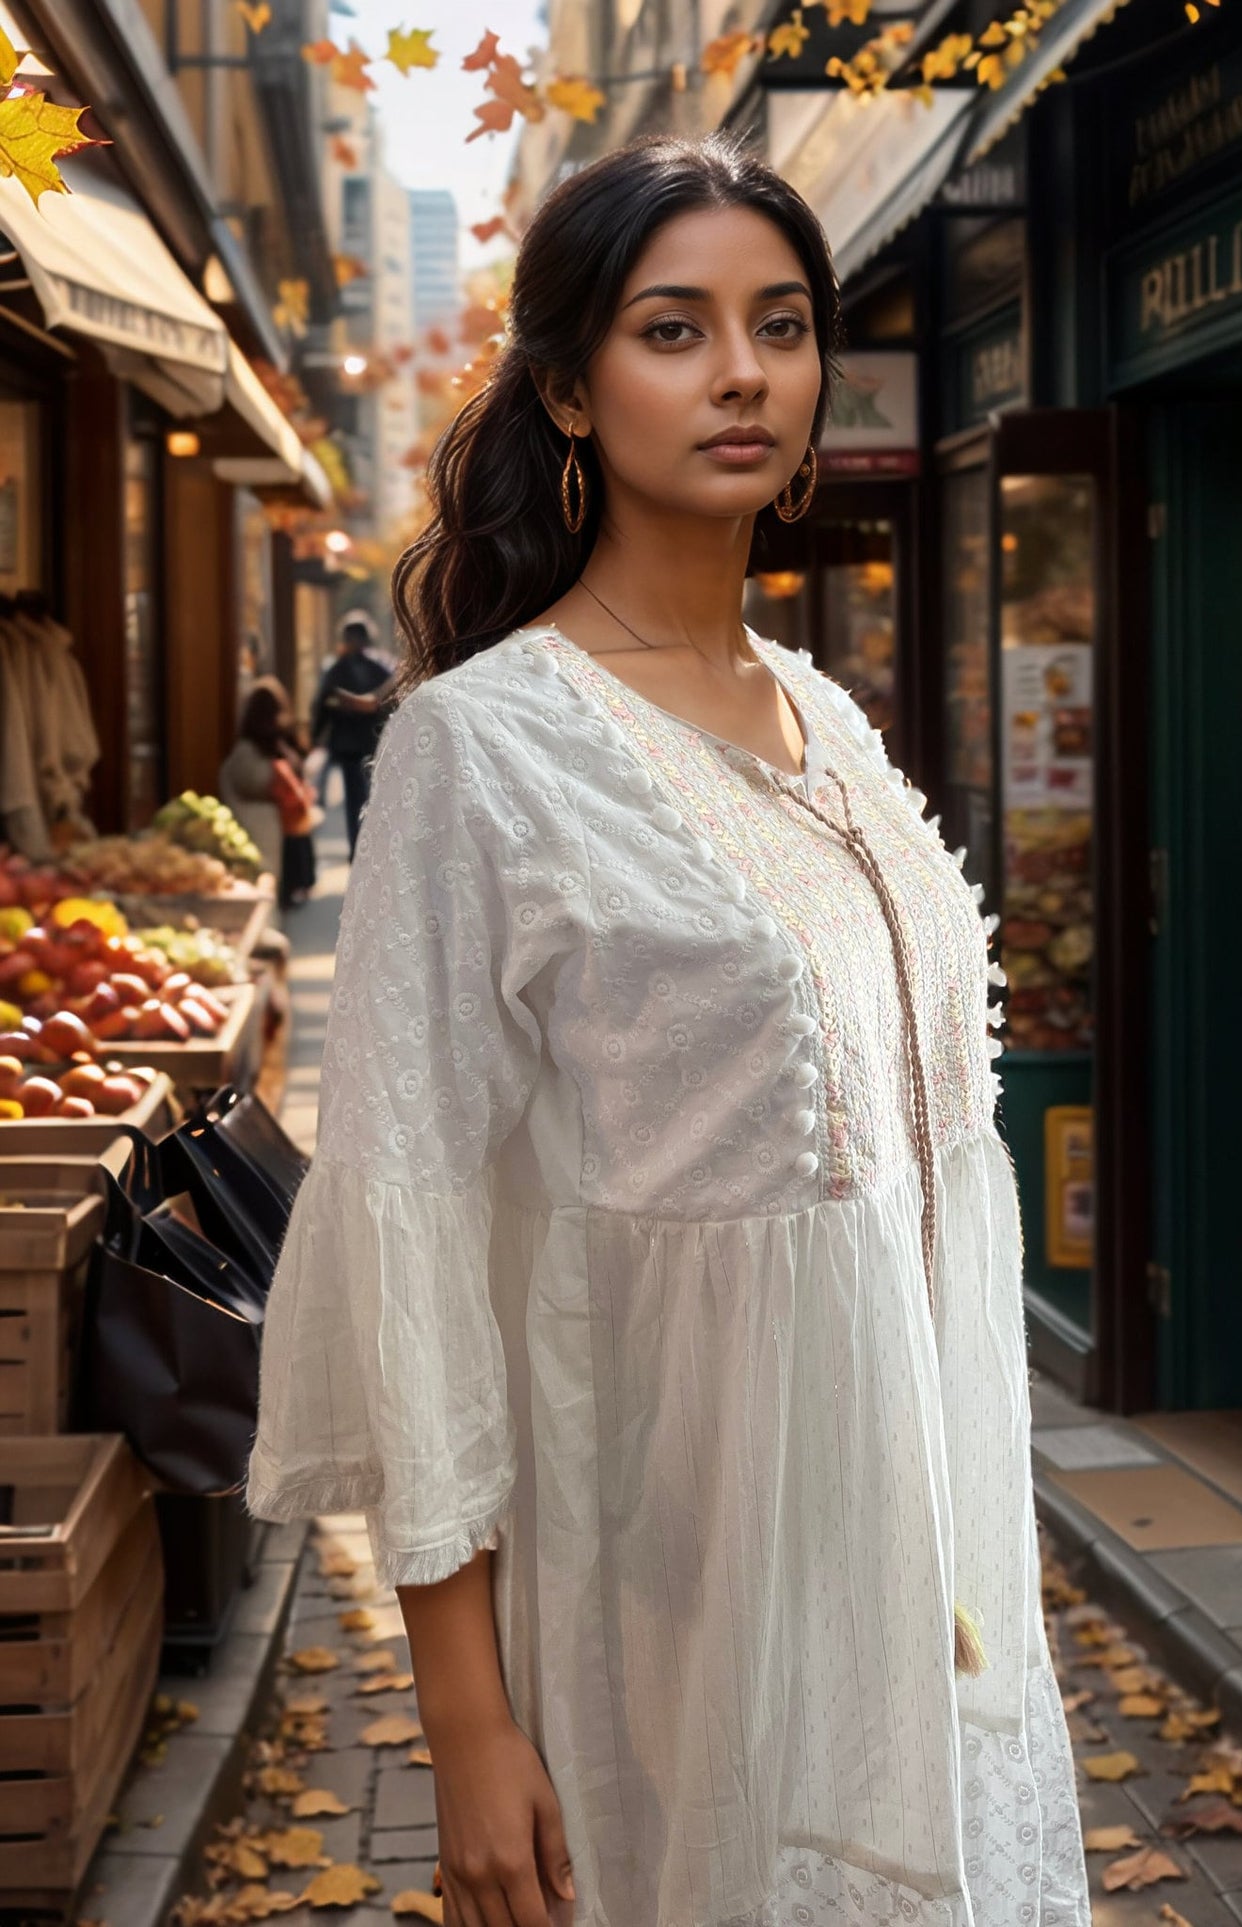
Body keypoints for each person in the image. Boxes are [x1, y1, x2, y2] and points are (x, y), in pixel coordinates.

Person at [245, 132, 1088, 1927]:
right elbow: (409, 1223)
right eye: (673, 328)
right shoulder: (483, 746)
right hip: (665, 1586)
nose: (742, 374)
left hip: (909, 1595)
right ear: (568, 386)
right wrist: (465, 1719)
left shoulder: (819, 713)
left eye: (780, 325)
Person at [218, 677, 318, 916]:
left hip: (276, 832)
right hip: (268, 832)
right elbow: (257, 782)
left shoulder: (267, 746)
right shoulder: (258, 750)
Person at [309, 609, 394, 857]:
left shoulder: (337, 669)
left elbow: (322, 705)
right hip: (373, 742)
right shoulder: (380, 669)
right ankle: (371, 850)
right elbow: (390, 705)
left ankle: (358, 851)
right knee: (373, 798)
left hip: (349, 744)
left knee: (356, 802)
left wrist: (315, 736)